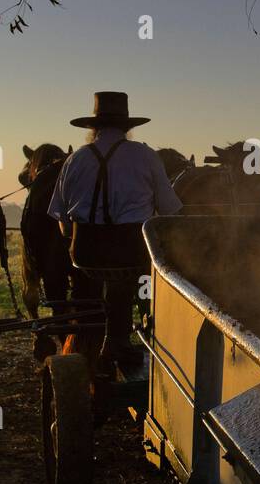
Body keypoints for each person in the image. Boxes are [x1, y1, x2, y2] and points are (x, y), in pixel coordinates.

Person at [48, 92, 181, 370]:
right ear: (127, 127)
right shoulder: (146, 156)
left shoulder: (75, 159)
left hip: (84, 252)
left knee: (88, 280)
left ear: (93, 128)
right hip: (131, 251)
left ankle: (87, 335)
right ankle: (119, 338)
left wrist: (73, 239)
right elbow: (169, 210)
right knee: (126, 276)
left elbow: (60, 217)